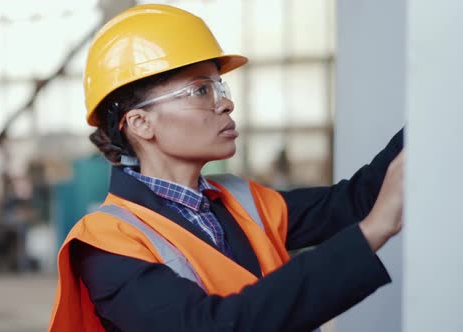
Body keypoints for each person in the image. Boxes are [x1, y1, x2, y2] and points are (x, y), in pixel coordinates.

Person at [48, 4, 404, 332]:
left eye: (220, 86)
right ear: (140, 123)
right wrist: (372, 232)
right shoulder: (105, 242)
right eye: (201, 91)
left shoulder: (243, 200)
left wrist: (431, 112)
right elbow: (211, 326)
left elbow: (357, 199)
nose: (226, 103)